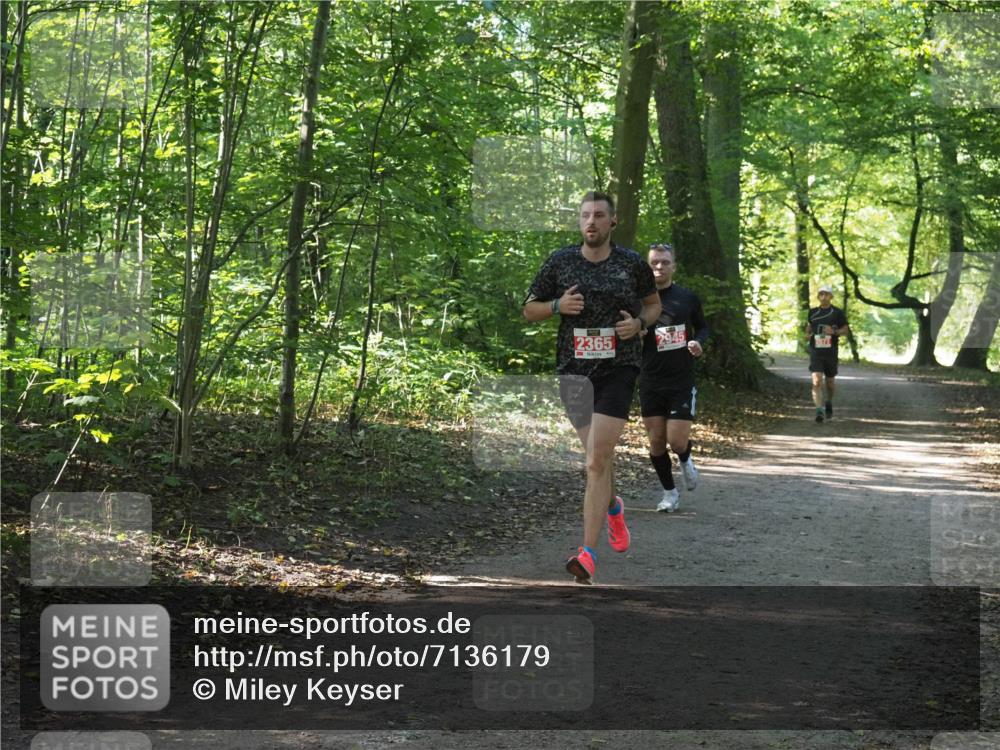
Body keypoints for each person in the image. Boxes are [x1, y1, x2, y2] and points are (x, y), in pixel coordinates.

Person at [523, 191, 660, 583]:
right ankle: (613, 507)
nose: (591, 222)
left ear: (612, 222)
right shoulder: (560, 262)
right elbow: (528, 310)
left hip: (619, 368)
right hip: (574, 371)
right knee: (596, 458)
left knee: (596, 460)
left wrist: (640, 325)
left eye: (599, 215)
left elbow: (651, 305)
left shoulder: (632, 264)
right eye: (585, 216)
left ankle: (587, 554)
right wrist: (554, 307)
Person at [639, 243, 709, 513]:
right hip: (650, 379)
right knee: (656, 441)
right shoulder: (638, 301)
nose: (659, 267)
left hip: (680, 379)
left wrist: (698, 342)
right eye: (654, 262)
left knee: (676, 440)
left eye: (664, 262)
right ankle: (670, 493)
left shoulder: (687, 297)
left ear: (673, 266)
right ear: (648, 266)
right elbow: (627, 333)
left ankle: (686, 458)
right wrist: (637, 334)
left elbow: (702, 327)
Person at [806, 285, 850, 423]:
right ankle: (819, 410)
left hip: (831, 351)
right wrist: (807, 335)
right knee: (817, 380)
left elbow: (846, 330)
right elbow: (808, 328)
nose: (823, 297)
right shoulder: (812, 312)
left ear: (831, 296)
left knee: (830, 383)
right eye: (821, 294)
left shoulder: (837, 313)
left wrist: (835, 332)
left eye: (826, 294)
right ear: (818, 296)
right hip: (816, 351)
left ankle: (829, 402)